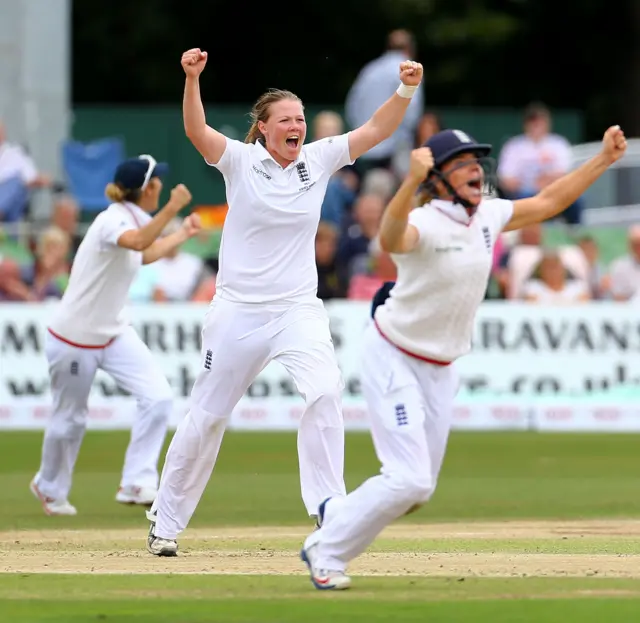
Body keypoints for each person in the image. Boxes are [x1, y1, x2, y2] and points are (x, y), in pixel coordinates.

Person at [300, 125, 627, 589]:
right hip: (394, 354)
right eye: (461, 162)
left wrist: (604, 159)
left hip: (440, 366)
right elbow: (391, 239)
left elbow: (549, 203)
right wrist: (409, 183)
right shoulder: (426, 220)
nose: (475, 168)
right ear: (437, 177)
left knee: (418, 489)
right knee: (408, 480)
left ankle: (335, 511)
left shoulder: (489, 215)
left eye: (477, 160)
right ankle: (326, 550)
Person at [145, 48, 424, 557]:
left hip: (298, 308)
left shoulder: (317, 159)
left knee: (323, 392)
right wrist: (191, 79)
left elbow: (376, 131)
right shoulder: (240, 159)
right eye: (286, 120)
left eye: (300, 119)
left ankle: (328, 509)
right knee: (207, 417)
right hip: (237, 310)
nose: (296, 126)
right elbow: (197, 131)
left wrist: (405, 90)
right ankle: (165, 519)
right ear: (264, 128)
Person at [30, 155, 199, 516]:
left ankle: (137, 481)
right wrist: (173, 209)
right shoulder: (112, 220)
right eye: (160, 185)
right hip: (73, 338)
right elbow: (138, 242)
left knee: (158, 397)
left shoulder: (136, 219)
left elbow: (147, 251)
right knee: (69, 421)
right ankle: (49, 487)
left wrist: (182, 233)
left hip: (112, 331)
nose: (164, 189)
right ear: (148, 189)